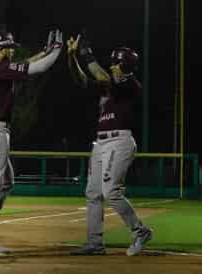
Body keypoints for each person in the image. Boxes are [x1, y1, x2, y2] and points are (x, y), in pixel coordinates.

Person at [0, 28, 63, 254]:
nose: (12, 51)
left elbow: (25, 63)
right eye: (9, 48)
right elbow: (37, 68)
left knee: (6, 182)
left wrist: (44, 51)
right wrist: (56, 51)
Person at [66, 32, 153, 256]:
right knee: (93, 193)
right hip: (100, 144)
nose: (113, 66)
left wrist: (86, 53)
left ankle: (140, 231)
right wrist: (72, 57)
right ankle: (95, 243)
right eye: (113, 62)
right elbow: (82, 81)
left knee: (111, 192)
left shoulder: (131, 84)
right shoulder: (108, 85)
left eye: (117, 63)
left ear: (126, 66)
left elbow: (102, 76)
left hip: (119, 141)